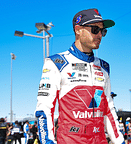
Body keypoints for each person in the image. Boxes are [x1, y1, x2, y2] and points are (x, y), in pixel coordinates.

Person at [35, 8, 125, 144]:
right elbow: (44, 109)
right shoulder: (56, 63)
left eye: (103, 31)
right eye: (95, 29)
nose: (100, 35)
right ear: (78, 30)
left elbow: (109, 109)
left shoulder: (104, 67)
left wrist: (120, 141)